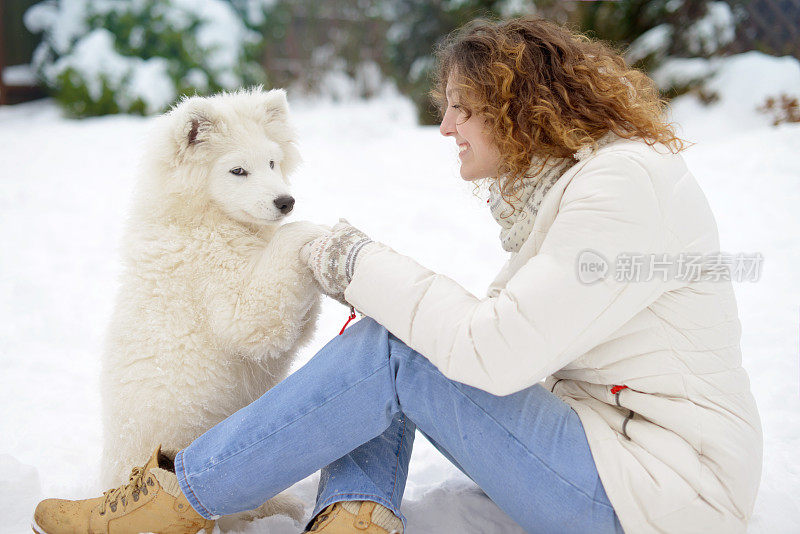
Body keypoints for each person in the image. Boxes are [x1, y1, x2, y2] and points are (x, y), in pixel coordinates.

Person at [32, 16, 763, 534]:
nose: (446, 126)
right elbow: (502, 349)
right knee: (399, 340)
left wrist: (350, 261)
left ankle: (167, 503)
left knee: (394, 350)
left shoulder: (621, 186)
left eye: (459, 107)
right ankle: (353, 518)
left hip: (658, 500)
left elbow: (499, 352)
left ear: (516, 107)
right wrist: (384, 301)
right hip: (624, 467)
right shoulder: (596, 184)